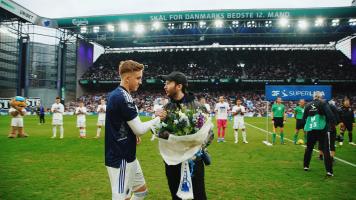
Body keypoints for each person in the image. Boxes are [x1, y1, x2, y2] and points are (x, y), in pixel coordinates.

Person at [105, 60, 166, 200]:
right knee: (121, 198)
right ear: (127, 78)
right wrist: (158, 118)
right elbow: (139, 129)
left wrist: (130, 133)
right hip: (120, 158)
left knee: (141, 192)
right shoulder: (123, 97)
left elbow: (120, 122)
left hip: (129, 156)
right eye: (138, 78)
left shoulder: (118, 94)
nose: (140, 82)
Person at [159, 71, 213, 200]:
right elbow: (159, 133)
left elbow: (210, 134)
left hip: (194, 160)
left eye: (168, 83)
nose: (165, 86)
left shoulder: (199, 108)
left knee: (198, 195)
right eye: (165, 83)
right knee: (176, 195)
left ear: (179, 86)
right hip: (172, 161)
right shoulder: (165, 108)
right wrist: (160, 123)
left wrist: (194, 147)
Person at [303, 92, 336, 177]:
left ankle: (306, 166)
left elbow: (304, 118)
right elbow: (330, 115)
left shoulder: (308, 105)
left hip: (311, 129)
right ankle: (329, 171)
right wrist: (332, 124)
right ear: (320, 97)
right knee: (326, 150)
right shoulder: (323, 103)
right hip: (322, 129)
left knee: (309, 148)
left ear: (313, 97)